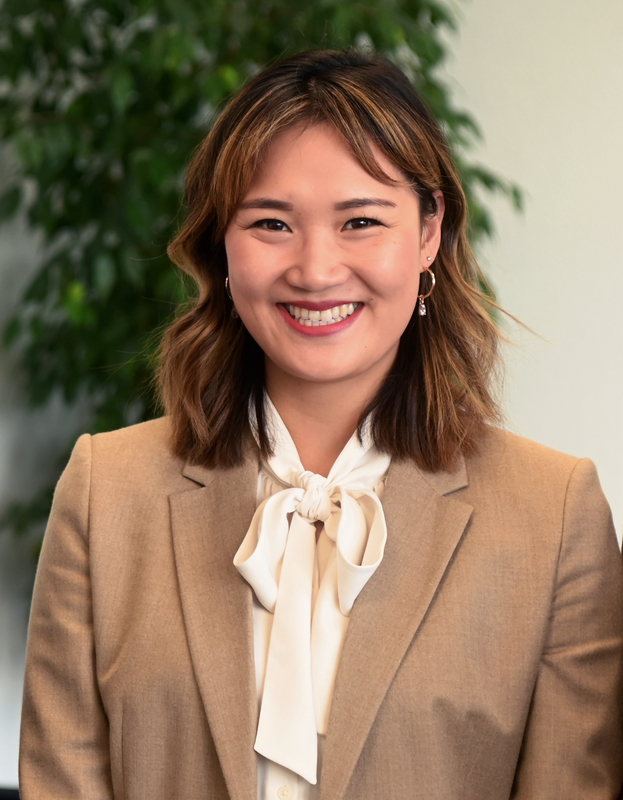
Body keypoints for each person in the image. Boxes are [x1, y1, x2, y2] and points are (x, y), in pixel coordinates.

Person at [19, 48, 623, 800]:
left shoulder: (554, 514)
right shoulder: (105, 490)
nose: (314, 269)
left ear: (429, 233)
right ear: (222, 245)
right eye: (271, 222)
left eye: (360, 221)